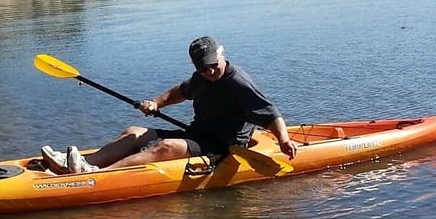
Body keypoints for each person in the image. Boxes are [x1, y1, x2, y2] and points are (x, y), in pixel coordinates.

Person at [41, 36, 297, 174]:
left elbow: (271, 114)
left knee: (166, 146)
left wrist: (284, 140)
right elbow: (182, 92)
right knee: (134, 132)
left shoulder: (239, 83)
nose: (209, 71)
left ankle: (96, 175)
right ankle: (82, 162)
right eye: (203, 68)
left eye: (212, 65)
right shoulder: (201, 77)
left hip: (224, 145)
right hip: (198, 134)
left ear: (221, 54)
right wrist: (156, 103)